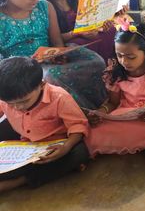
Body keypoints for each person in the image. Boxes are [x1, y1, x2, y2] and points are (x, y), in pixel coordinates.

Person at [0, 0, 106, 109]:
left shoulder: (44, 6)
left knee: (95, 61)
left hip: (50, 57)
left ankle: (103, 104)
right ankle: (83, 112)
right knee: (52, 76)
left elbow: (56, 41)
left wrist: (59, 54)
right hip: (19, 70)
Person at [85, 23, 145, 157]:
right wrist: (100, 113)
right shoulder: (115, 73)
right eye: (119, 55)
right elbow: (112, 103)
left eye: (131, 57)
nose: (124, 61)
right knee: (96, 131)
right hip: (128, 111)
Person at [0, 57, 90, 193]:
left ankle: (20, 181)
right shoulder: (7, 98)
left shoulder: (59, 97)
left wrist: (66, 147)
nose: (17, 107)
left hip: (56, 146)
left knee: (79, 153)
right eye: (10, 103)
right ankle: (58, 170)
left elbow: (78, 125)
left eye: (24, 101)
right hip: (25, 146)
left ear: (41, 85)